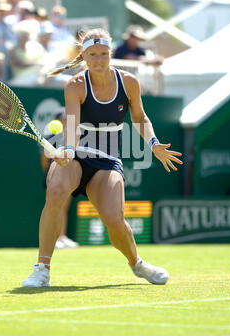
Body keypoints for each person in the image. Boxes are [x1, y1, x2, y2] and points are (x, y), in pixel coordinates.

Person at [22, 28, 183, 288]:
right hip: (76, 155)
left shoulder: (129, 82)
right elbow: (72, 124)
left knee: (114, 219)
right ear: (84, 56)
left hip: (107, 160)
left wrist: (153, 143)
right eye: (92, 54)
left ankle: (137, 264)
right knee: (55, 192)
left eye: (103, 54)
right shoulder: (75, 85)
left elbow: (140, 118)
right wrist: (69, 151)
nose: (98, 59)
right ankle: (42, 269)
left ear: (110, 53)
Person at [40, 109, 79, 249]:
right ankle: (52, 239)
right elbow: (44, 158)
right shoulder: (52, 137)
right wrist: (48, 175)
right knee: (53, 208)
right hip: (52, 177)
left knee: (63, 208)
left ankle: (62, 237)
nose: (66, 121)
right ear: (58, 120)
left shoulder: (71, 138)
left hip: (66, 177)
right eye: (63, 118)